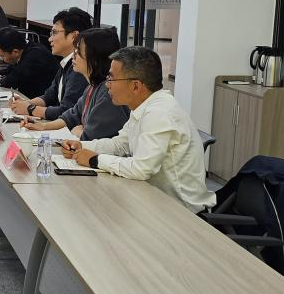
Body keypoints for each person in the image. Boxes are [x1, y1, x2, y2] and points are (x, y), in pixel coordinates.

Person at [62, 46, 216, 213]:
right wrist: (82, 146)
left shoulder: (159, 113)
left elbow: (141, 168)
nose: (107, 85)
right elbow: (120, 145)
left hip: (181, 212)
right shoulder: (144, 107)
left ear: (135, 86)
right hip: (153, 200)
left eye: (112, 78)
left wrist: (95, 160)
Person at [21, 27, 129, 141]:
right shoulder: (91, 87)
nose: (73, 55)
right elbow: (71, 116)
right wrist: (43, 126)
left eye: (79, 51)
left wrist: (77, 132)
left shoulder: (108, 93)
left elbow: (89, 137)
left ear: (95, 58)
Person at [16, 7, 93, 120]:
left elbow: (66, 111)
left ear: (74, 36)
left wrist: (30, 109)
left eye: (54, 33)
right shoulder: (66, 62)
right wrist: (26, 103)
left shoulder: (79, 68)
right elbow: (50, 96)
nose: (50, 39)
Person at [0, 27, 58, 97]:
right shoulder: (26, 49)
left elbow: (10, 81)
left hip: (45, 105)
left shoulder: (34, 56)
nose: (2, 60)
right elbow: (12, 69)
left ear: (15, 52)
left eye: (2, 56)